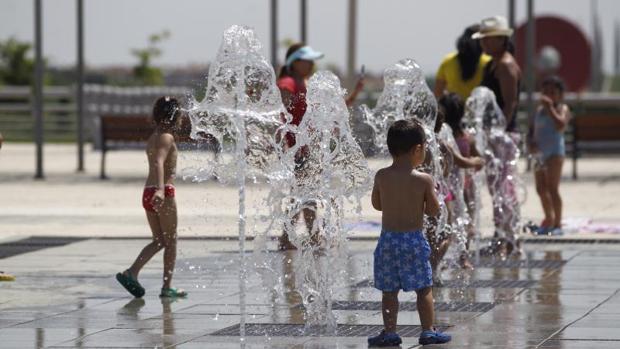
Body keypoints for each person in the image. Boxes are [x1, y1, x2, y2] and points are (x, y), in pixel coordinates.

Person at [368, 120, 451, 347]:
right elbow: (434, 210)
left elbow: (377, 204)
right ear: (417, 149)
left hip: (387, 241)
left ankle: (390, 332)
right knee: (424, 288)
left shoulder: (381, 176)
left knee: (389, 290)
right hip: (413, 240)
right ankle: (427, 331)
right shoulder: (423, 179)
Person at [276, 43, 364, 250]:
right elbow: (280, 106)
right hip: (297, 149)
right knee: (306, 195)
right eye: (307, 61)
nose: (311, 64)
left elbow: (336, 108)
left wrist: (355, 94)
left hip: (308, 149)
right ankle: (311, 238)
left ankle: (288, 237)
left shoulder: (306, 83)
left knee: (302, 194)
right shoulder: (288, 82)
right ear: (294, 62)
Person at [116, 96, 187, 298]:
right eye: (180, 114)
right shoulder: (167, 137)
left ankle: (131, 273)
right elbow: (158, 161)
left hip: (148, 192)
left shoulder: (154, 136)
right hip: (161, 192)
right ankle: (167, 288)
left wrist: (156, 189)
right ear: (174, 116)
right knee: (171, 241)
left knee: (159, 240)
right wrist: (162, 190)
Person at [438, 93, 484, 268]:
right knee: (465, 221)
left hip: (450, 186)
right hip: (462, 186)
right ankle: (463, 257)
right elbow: (477, 159)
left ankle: (446, 258)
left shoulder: (443, 137)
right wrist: (476, 163)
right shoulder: (466, 137)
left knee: (449, 223)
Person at [529, 76, 570, 235]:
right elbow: (531, 131)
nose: (548, 95)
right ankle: (548, 218)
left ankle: (558, 224)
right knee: (541, 188)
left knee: (552, 188)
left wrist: (550, 108)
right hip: (539, 154)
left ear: (560, 95)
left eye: (552, 92)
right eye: (545, 92)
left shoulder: (562, 109)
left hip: (555, 153)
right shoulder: (538, 111)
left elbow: (561, 125)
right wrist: (530, 143)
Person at [473, 15, 522, 133]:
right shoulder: (491, 64)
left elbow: (510, 104)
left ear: (501, 39)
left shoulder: (505, 65)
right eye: (482, 38)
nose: (483, 42)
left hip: (503, 133)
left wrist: (498, 133)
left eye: (488, 38)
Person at [435, 24, 492, 100]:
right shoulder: (488, 62)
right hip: (479, 110)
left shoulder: (448, 61)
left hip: (454, 110)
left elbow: (438, 93)